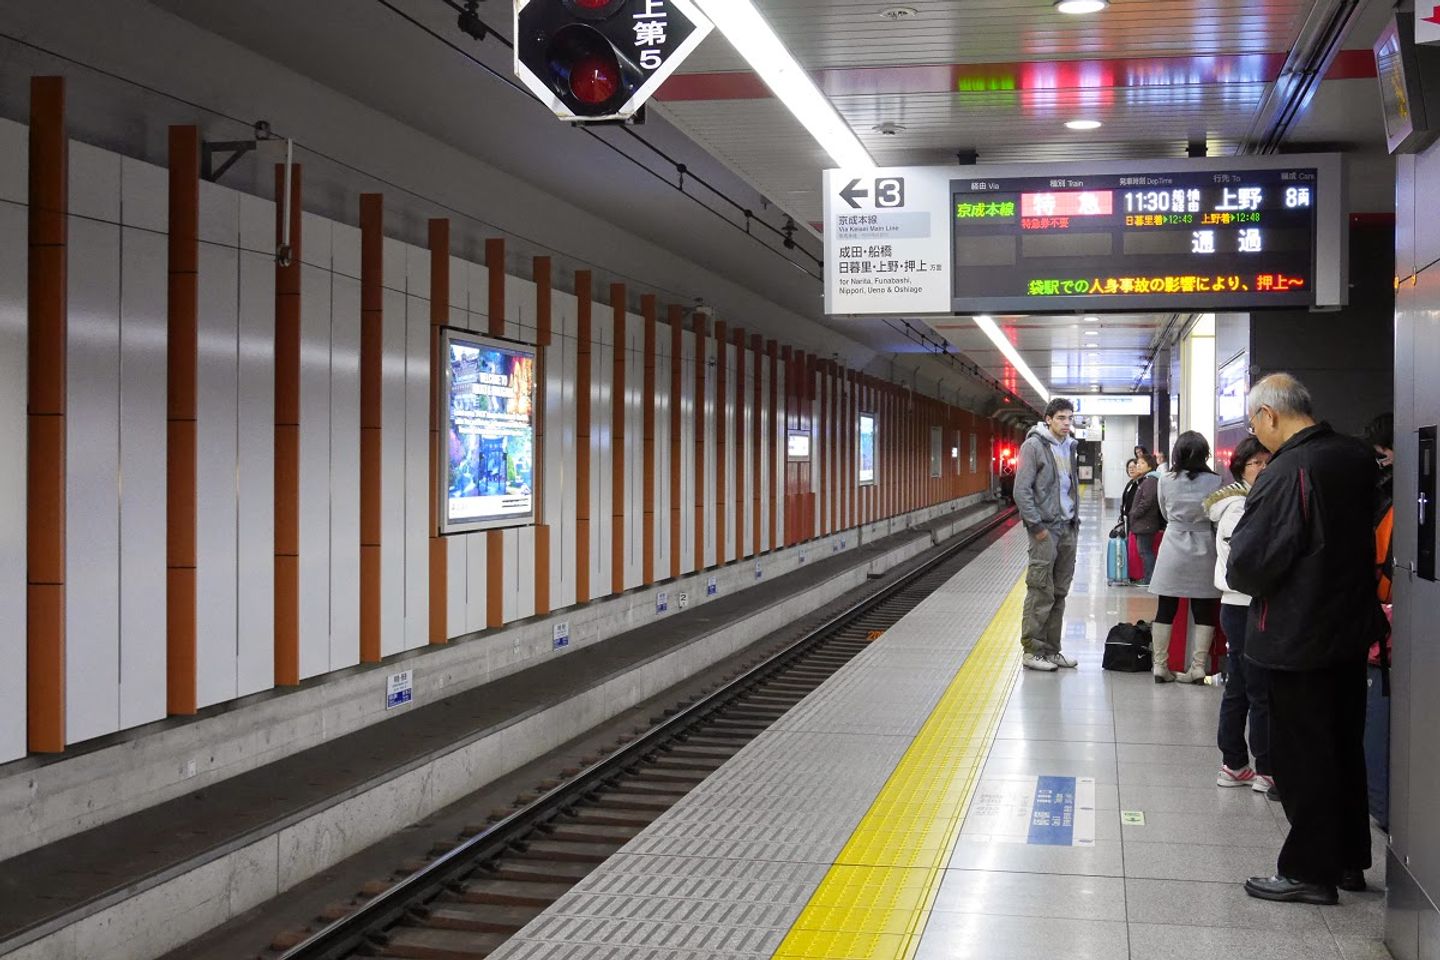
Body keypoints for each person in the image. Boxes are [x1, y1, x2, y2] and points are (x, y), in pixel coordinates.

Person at [1228, 373, 1387, 905]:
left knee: (1302, 756)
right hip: (1349, 630)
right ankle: (1346, 861)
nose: (1257, 433)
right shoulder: (1355, 457)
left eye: (1255, 422)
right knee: (1343, 747)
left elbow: (1249, 565)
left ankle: (1308, 870)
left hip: (1296, 636)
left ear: (1270, 415)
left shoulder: (1289, 470)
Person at [1204, 437, 1273, 794]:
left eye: (1267, 461)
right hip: (1243, 603)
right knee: (1254, 687)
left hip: (1244, 603)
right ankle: (1259, 766)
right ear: (1241, 468)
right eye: (1255, 463)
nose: (1263, 468)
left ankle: (1238, 763)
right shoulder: (1238, 507)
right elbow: (1244, 559)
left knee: (1244, 686)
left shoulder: (1252, 501)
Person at [1148, 432, 1225, 683]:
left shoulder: (1165, 479)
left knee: (1165, 608)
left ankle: (1160, 666)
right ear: (1205, 454)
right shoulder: (1216, 481)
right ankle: (1198, 667)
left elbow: (1163, 509)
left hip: (1173, 545)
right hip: (1204, 546)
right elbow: (1216, 515)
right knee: (1204, 609)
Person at [1013, 398, 1080, 672]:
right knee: (1041, 590)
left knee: (1060, 591)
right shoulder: (1034, 446)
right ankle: (1032, 650)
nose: (1067, 423)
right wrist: (1036, 527)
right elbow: (1022, 490)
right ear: (1049, 419)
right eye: (1061, 418)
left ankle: (1052, 650)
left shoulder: (1070, 447)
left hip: (1067, 527)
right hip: (1046, 529)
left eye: (1070, 418)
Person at [1129, 452, 1162, 585]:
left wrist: (1135, 513)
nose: (1138, 465)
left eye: (1142, 463)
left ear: (1150, 466)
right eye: (1138, 463)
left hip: (1145, 523)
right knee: (1144, 551)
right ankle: (1149, 578)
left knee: (1145, 552)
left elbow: (1147, 501)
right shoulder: (1146, 480)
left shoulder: (1150, 481)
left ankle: (1149, 579)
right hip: (1144, 523)